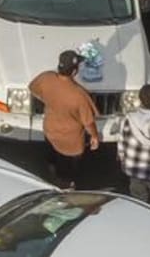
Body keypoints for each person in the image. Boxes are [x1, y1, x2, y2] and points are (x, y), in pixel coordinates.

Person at [30, 49, 99, 189]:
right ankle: (66, 187)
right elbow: (88, 122)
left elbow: (32, 88)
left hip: (50, 131)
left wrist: (49, 99)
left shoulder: (46, 78)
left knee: (52, 158)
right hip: (71, 143)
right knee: (67, 171)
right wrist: (94, 136)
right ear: (74, 72)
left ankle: (51, 175)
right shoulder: (79, 95)